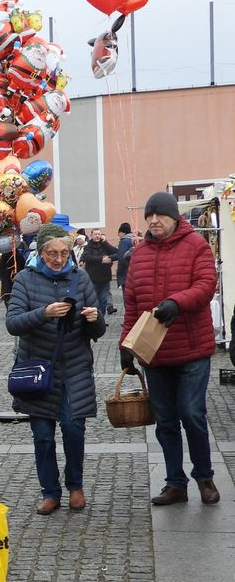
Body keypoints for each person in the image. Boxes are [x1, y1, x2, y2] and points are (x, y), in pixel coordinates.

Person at [121, 192, 219, 506]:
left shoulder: (196, 246)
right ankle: (175, 483)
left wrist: (178, 302)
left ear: (174, 217)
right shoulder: (139, 254)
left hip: (191, 349)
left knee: (191, 414)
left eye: (159, 215)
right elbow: (132, 303)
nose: (154, 221)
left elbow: (206, 285)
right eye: (149, 217)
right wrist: (126, 344)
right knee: (165, 422)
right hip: (155, 353)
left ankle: (204, 477)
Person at [5, 224, 105, 514]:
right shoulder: (25, 279)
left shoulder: (81, 278)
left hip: (74, 367)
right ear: (41, 251)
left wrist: (94, 318)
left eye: (64, 252)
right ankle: (50, 491)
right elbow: (13, 324)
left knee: (74, 429)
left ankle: (75, 486)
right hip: (38, 368)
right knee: (43, 435)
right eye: (52, 253)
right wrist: (43, 313)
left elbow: (98, 330)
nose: (58, 259)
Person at [81, 228, 118, 319]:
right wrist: (101, 259)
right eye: (95, 234)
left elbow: (117, 253)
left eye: (99, 234)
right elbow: (86, 257)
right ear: (91, 236)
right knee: (93, 299)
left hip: (105, 277)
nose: (97, 236)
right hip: (93, 278)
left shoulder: (104, 245)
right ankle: (94, 318)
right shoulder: (88, 246)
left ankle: (101, 319)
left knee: (104, 300)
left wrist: (109, 257)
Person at [116, 222, 133, 290]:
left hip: (126, 274)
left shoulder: (124, 241)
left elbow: (121, 258)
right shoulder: (134, 239)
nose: (118, 235)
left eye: (119, 233)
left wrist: (119, 273)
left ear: (123, 233)